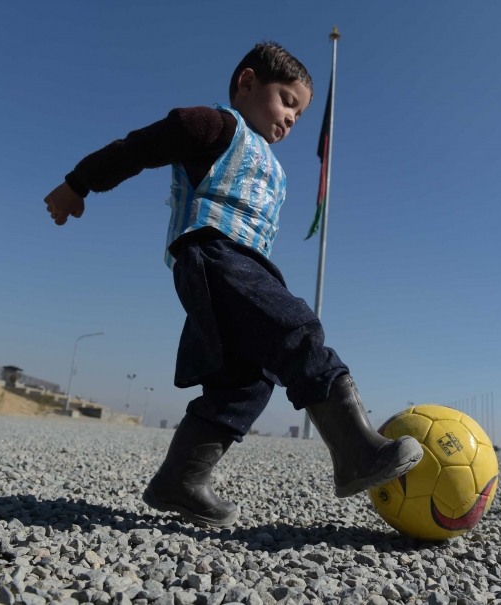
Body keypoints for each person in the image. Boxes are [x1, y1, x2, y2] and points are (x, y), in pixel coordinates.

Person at [43, 42, 423, 527]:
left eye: (300, 115)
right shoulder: (216, 126)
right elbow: (138, 147)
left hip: (242, 268)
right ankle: (354, 453)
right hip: (212, 254)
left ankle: (180, 480)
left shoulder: (274, 167)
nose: (291, 119)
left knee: (246, 382)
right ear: (247, 82)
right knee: (297, 328)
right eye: (287, 101)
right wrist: (78, 183)